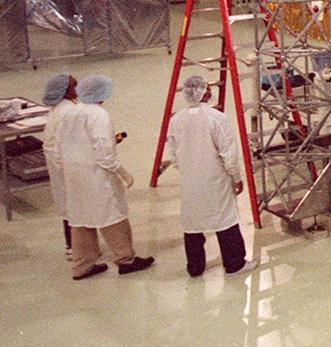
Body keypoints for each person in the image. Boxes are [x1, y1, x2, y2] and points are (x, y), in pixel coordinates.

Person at [60, 74, 154, 279]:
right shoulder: (99, 115)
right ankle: (125, 259)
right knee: (112, 216)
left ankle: (82, 265)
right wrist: (123, 172)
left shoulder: (70, 113)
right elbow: (104, 153)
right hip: (96, 174)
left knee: (81, 219)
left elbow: (60, 146)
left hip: (73, 174)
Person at [165, 76, 256, 277]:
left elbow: (173, 153)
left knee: (193, 223)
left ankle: (195, 267)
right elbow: (228, 153)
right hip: (216, 179)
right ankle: (234, 264)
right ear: (205, 93)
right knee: (224, 219)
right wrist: (236, 177)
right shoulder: (216, 118)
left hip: (190, 180)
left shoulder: (176, 119)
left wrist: (189, 169)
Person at [41, 73, 78, 259]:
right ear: (65, 92)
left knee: (69, 207)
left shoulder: (60, 109)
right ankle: (76, 248)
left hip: (63, 164)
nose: (78, 89)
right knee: (74, 206)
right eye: (74, 86)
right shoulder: (68, 112)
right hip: (68, 166)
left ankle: (74, 246)